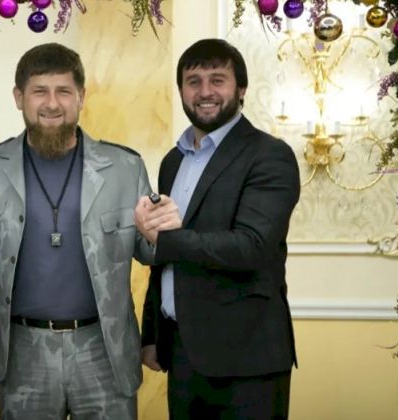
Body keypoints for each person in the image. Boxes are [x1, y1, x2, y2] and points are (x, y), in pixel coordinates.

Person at [0, 42, 180, 419]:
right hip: (21, 351)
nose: (52, 103)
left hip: (104, 349)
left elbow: (150, 253)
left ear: (81, 97)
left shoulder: (125, 167)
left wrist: (161, 233)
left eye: (63, 91)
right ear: (18, 97)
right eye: (39, 91)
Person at [136, 38, 300, 419]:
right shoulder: (173, 161)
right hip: (182, 356)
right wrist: (153, 335)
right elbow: (163, 261)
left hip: (248, 361)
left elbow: (251, 246)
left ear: (241, 89)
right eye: (193, 81)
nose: (205, 91)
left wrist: (165, 239)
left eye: (217, 80)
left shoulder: (269, 155)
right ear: (181, 90)